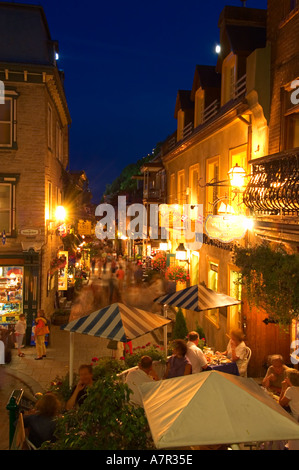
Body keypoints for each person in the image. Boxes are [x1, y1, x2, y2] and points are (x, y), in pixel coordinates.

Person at [279, 369, 299, 450]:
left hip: (297, 418)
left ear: (289, 379)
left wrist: (283, 388)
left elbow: (281, 403)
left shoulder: (291, 390)